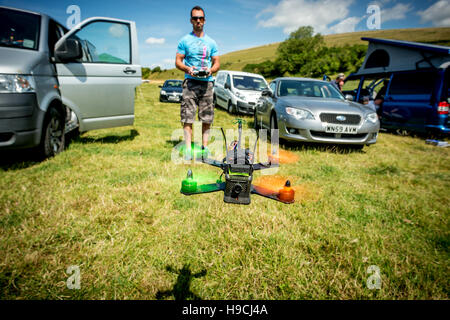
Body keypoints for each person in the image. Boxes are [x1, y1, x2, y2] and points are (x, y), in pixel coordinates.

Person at [175, 6, 220, 160]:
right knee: (187, 116)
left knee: (207, 118)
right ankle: (188, 150)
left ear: (204, 20)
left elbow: (217, 63)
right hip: (190, 82)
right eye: (195, 18)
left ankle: (205, 148)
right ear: (191, 20)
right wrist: (188, 68)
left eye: (200, 18)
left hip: (207, 83)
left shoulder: (211, 42)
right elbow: (177, 61)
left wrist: (210, 70)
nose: (198, 21)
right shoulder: (184, 40)